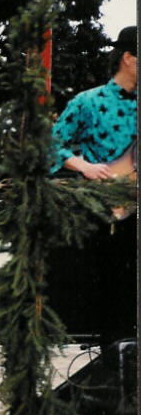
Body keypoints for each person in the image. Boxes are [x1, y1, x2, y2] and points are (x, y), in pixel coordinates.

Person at [46, 26, 136, 346]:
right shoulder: (88, 101)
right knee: (116, 292)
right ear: (129, 58)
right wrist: (83, 165)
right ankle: (115, 355)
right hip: (111, 212)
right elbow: (50, 145)